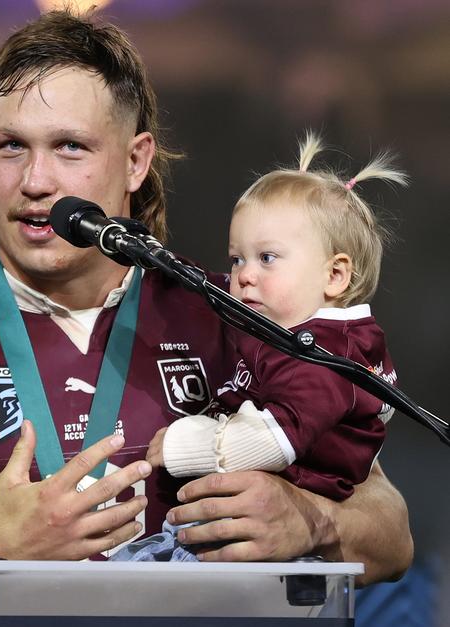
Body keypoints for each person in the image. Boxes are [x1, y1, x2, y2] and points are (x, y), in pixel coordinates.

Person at [0, 10, 412, 627]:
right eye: (13, 146)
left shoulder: (235, 315)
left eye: (70, 147)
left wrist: (311, 521)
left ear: (135, 161)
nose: (37, 182)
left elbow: (391, 532)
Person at [113, 134, 407, 561]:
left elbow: (273, 440)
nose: (244, 275)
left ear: (335, 276)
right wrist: (161, 261)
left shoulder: (329, 357)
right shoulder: (287, 323)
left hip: (272, 544)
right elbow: (210, 289)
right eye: (238, 259)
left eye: (267, 258)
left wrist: (185, 444)